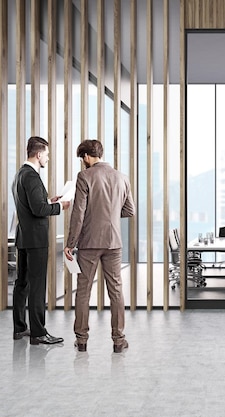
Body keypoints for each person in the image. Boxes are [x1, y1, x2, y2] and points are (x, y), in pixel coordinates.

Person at [64, 139, 135, 354]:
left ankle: (82, 340)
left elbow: (78, 214)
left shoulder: (84, 176)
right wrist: (111, 215)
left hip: (89, 243)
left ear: (86, 157)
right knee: (116, 290)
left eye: (81, 158)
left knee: (84, 290)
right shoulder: (122, 178)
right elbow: (129, 210)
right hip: (113, 242)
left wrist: (70, 244)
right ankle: (118, 340)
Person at [12, 136, 70, 345]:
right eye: (46, 154)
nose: (48, 157)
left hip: (24, 237)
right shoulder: (33, 177)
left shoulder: (20, 174)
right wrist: (60, 206)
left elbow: (32, 205)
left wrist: (49, 200)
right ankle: (38, 333)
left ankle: (20, 328)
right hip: (36, 239)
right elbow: (38, 210)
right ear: (38, 154)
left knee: (22, 283)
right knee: (37, 286)